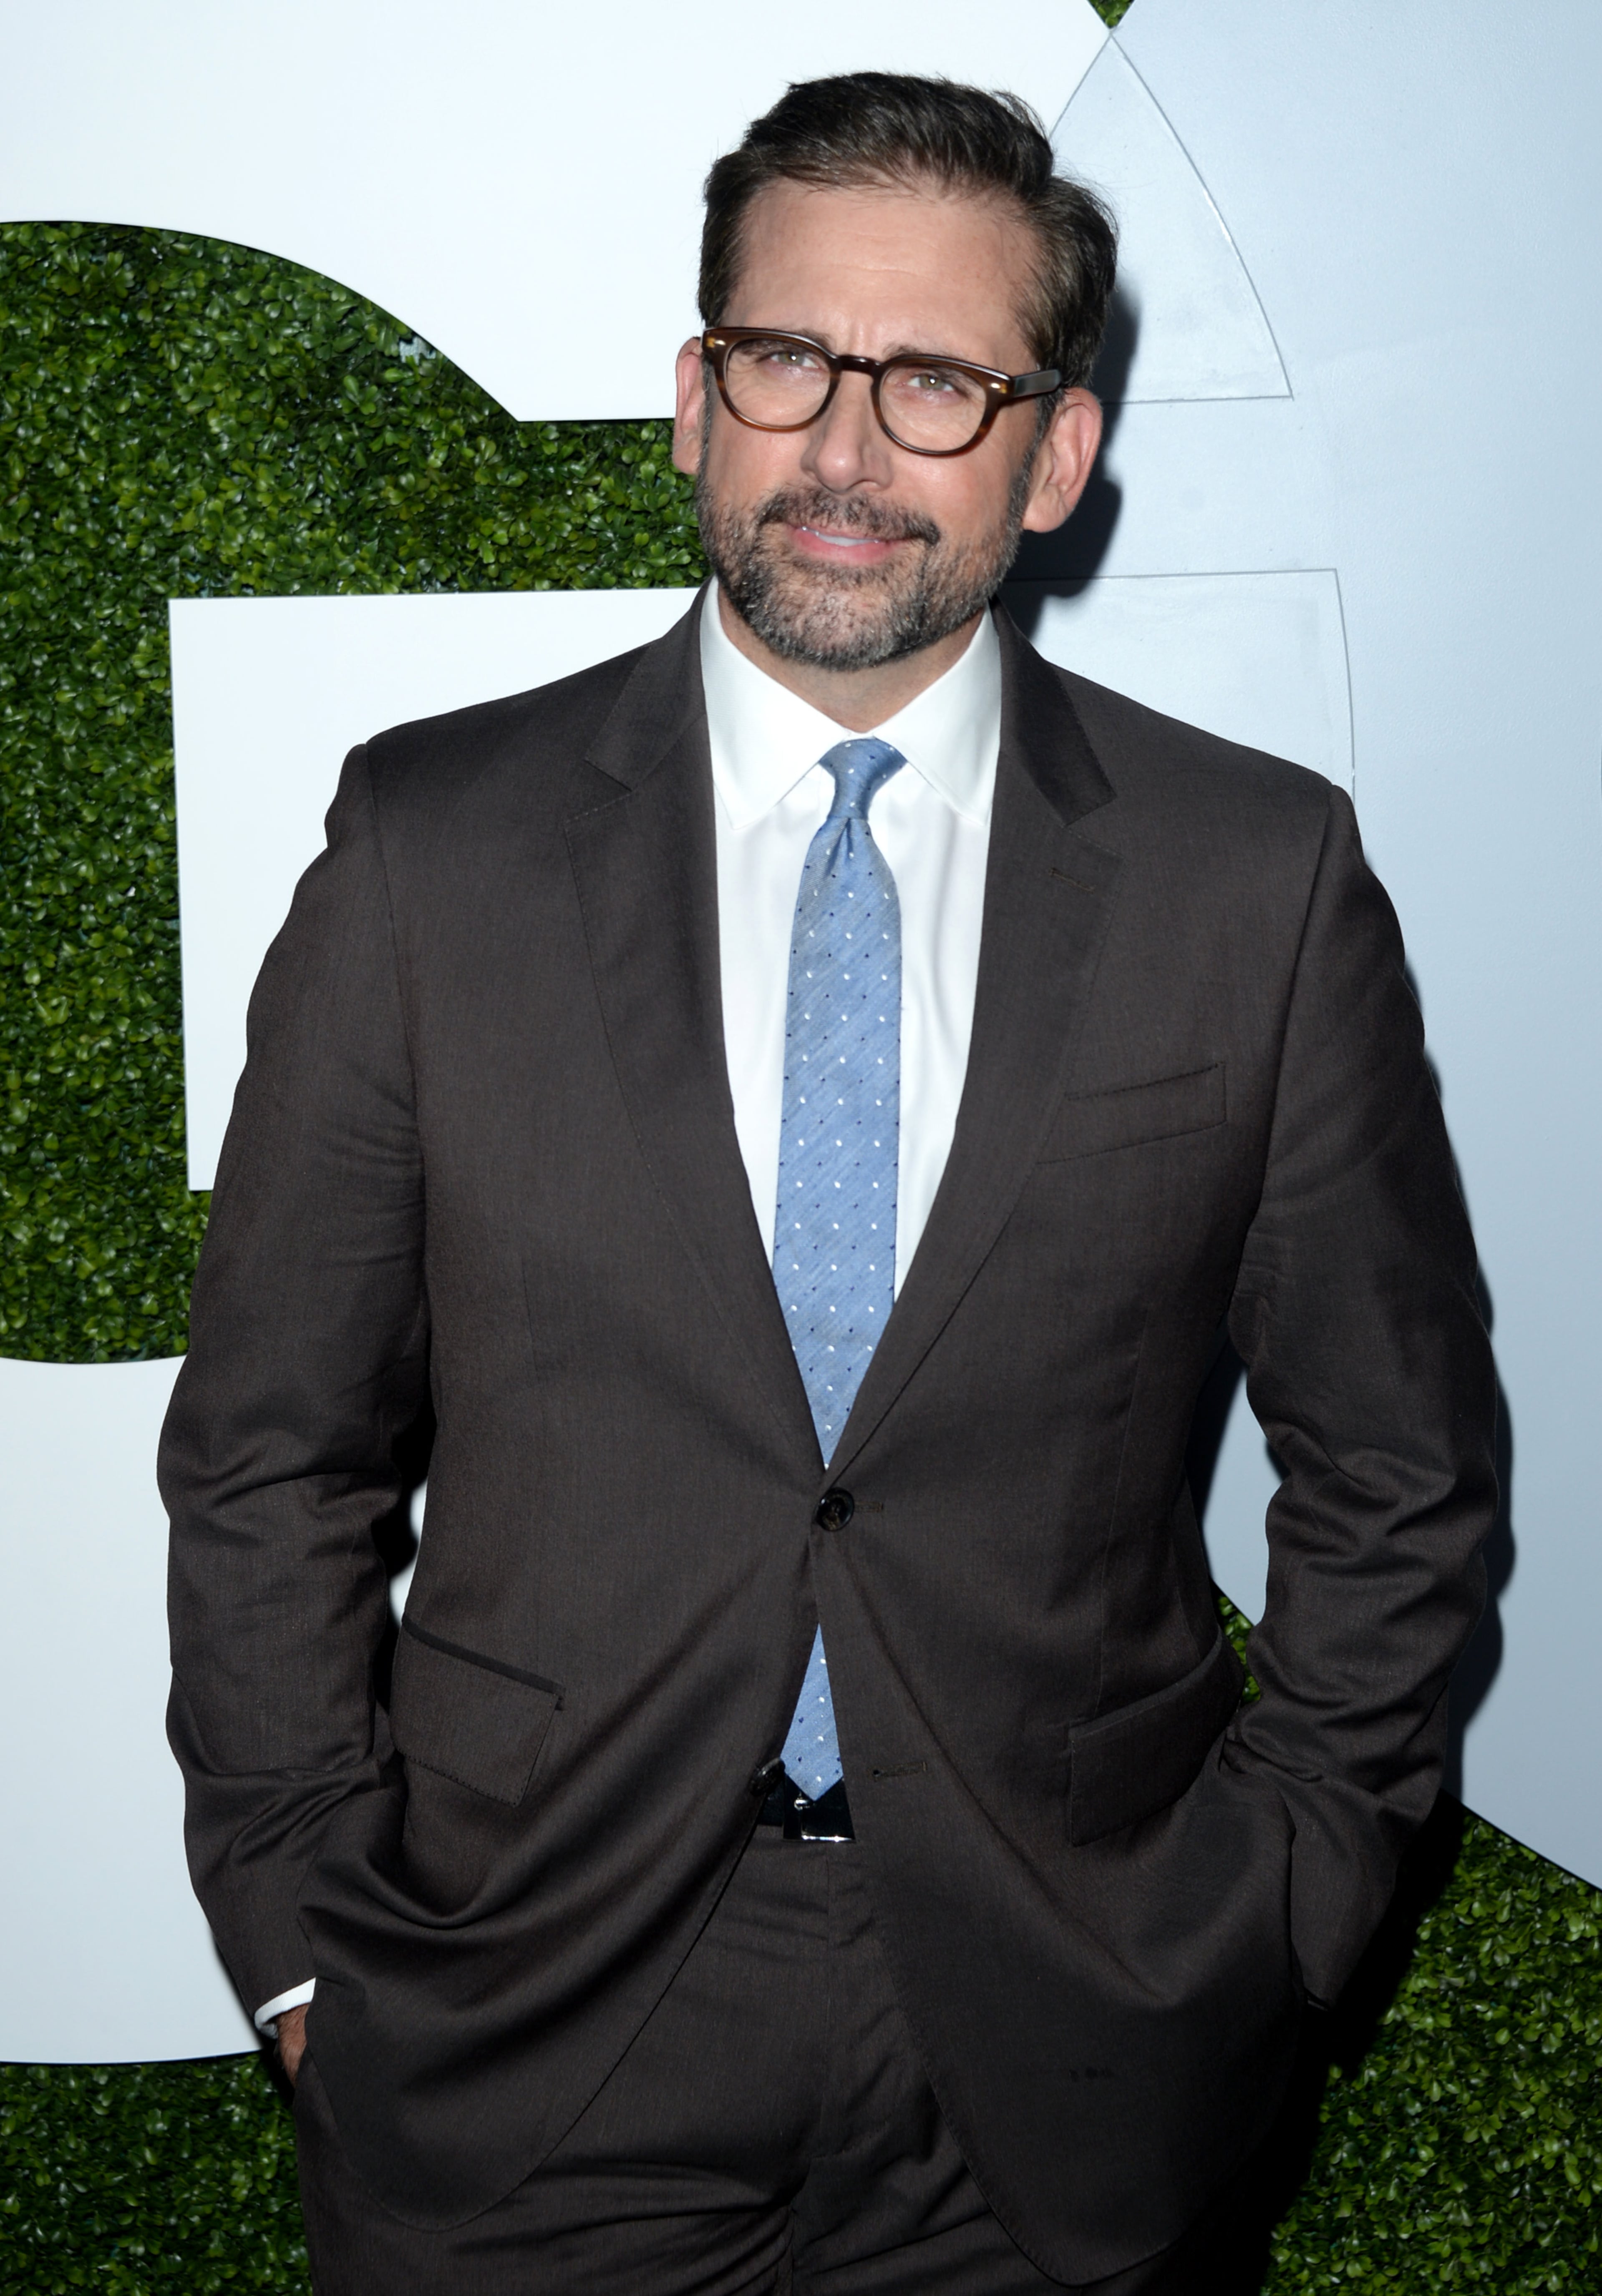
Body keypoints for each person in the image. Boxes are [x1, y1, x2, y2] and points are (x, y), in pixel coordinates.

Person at [161, 70, 1496, 2295]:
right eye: (788, 359)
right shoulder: (432, 850)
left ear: (1056, 455)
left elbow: (1397, 1483)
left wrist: (1273, 1919)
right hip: (526, 2015)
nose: (846, 446)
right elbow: (275, 1453)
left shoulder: (1251, 885)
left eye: (940, 382)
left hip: (1070, 2035)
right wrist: (309, 1937)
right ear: (696, 400)